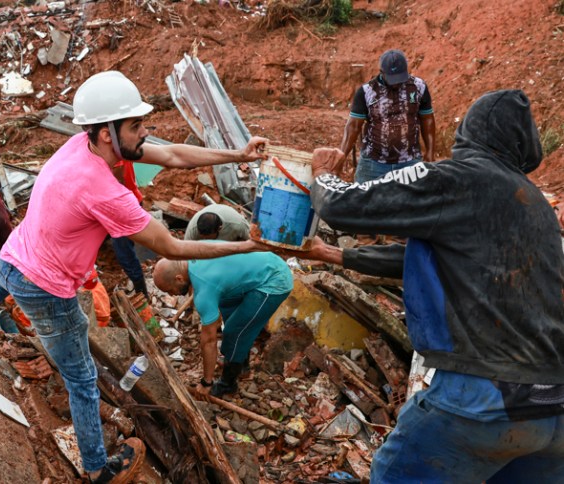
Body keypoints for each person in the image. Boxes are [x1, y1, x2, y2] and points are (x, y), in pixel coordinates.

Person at [0, 70, 269, 483]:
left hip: (15, 256)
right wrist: (245, 246)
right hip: (45, 285)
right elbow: (171, 248)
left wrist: (239, 155)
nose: (145, 133)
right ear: (108, 133)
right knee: (82, 378)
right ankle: (97, 469)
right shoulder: (104, 190)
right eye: (136, 126)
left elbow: (174, 155)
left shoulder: (78, 145)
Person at [308, 90, 564, 482]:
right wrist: (339, 257)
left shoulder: (458, 178)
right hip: (551, 411)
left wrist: (322, 175)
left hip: (483, 399)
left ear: (469, 132)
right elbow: (437, 259)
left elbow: (346, 205)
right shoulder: (536, 206)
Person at [152, 253, 292, 398]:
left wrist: (206, 382)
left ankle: (228, 384)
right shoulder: (194, 255)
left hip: (275, 280)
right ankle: (241, 365)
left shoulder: (204, 292)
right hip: (264, 265)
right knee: (226, 304)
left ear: (179, 278)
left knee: (234, 332)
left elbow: (209, 341)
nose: (172, 295)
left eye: (169, 290)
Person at [339, 49, 436, 183]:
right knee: (364, 202)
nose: (396, 83)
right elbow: (353, 127)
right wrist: (341, 156)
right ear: (381, 72)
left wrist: (430, 151)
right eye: (392, 79)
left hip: (410, 162)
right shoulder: (367, 92)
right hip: (373, 164)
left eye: (400, 78)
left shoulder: (418, 87)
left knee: (411, 203)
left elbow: (427, 119)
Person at [184, 204, 250, 241]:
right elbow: (185, 252)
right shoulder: (193, 227)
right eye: (203, 238)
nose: (205, 240)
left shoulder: (237, 223)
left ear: (219, 228)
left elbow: (253, 241)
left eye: (207, 238)